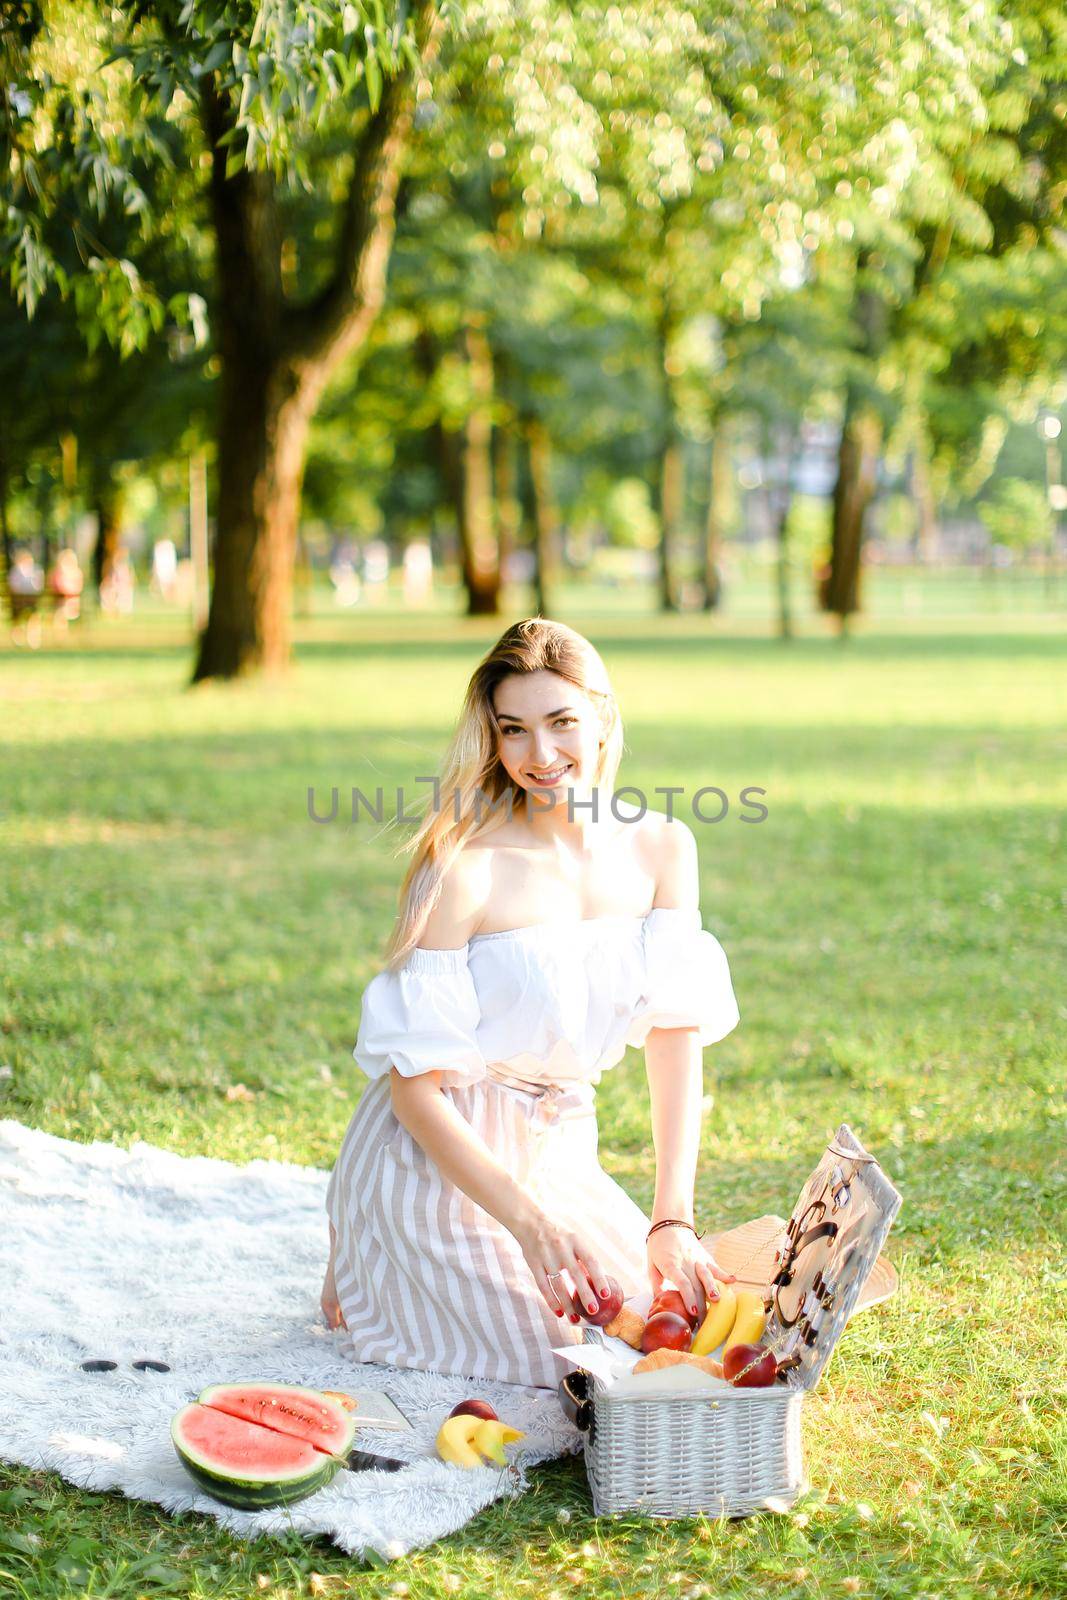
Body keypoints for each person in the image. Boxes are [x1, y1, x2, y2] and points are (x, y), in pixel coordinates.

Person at [322, 616, 741, 1390]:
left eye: (561, 723)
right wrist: (530, 1227)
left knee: (654, 1322)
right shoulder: (464, 867)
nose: (539, 756)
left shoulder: (662, 848)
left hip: (555, 1150)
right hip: (434, 1161)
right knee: (567, 1367)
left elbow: (674, 1032)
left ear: (602, 716)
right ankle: (371, 1246)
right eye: (512, 730)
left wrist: (670, 1218)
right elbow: (415, 1097)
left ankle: (374, 1263)